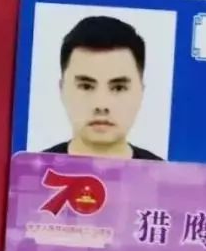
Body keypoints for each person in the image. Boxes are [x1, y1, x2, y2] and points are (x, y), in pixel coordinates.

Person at [42, 15, 163, 160]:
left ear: (141, 92)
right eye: (86, 86)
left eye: (118, 88)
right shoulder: (32, 170)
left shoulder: (163, 173)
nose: (101, 105)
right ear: (62, 89)